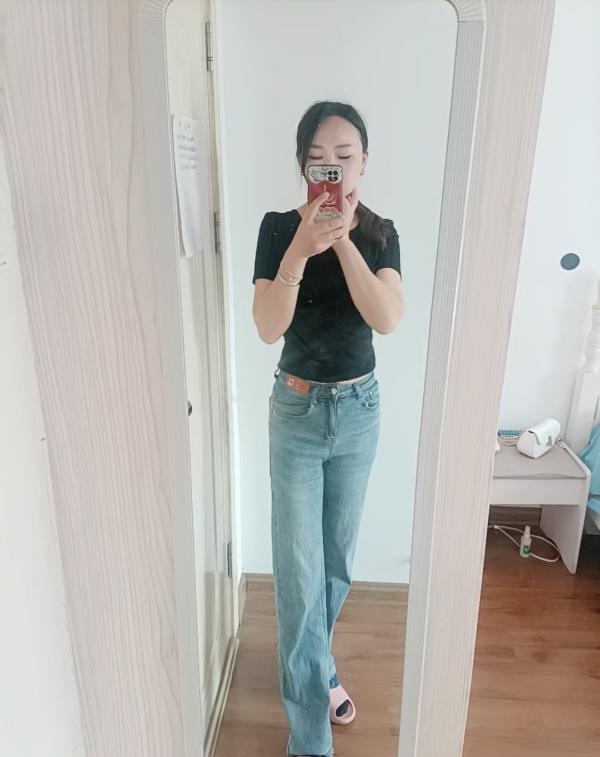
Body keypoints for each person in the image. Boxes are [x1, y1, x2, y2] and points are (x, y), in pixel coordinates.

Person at [251, 100, 405, 757]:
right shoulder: (276, 229)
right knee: (298, 573)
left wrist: (341, 239)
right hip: (296, 411)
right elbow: (268, 326)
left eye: (345, 156)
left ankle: (318, 665)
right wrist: (302, 245)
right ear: (302, 165)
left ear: (364, 162)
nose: (333, 168)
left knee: (336, 564)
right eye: (320, 159)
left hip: (360, 411)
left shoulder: (381, 233)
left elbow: (387, 318)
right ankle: (310, 740)